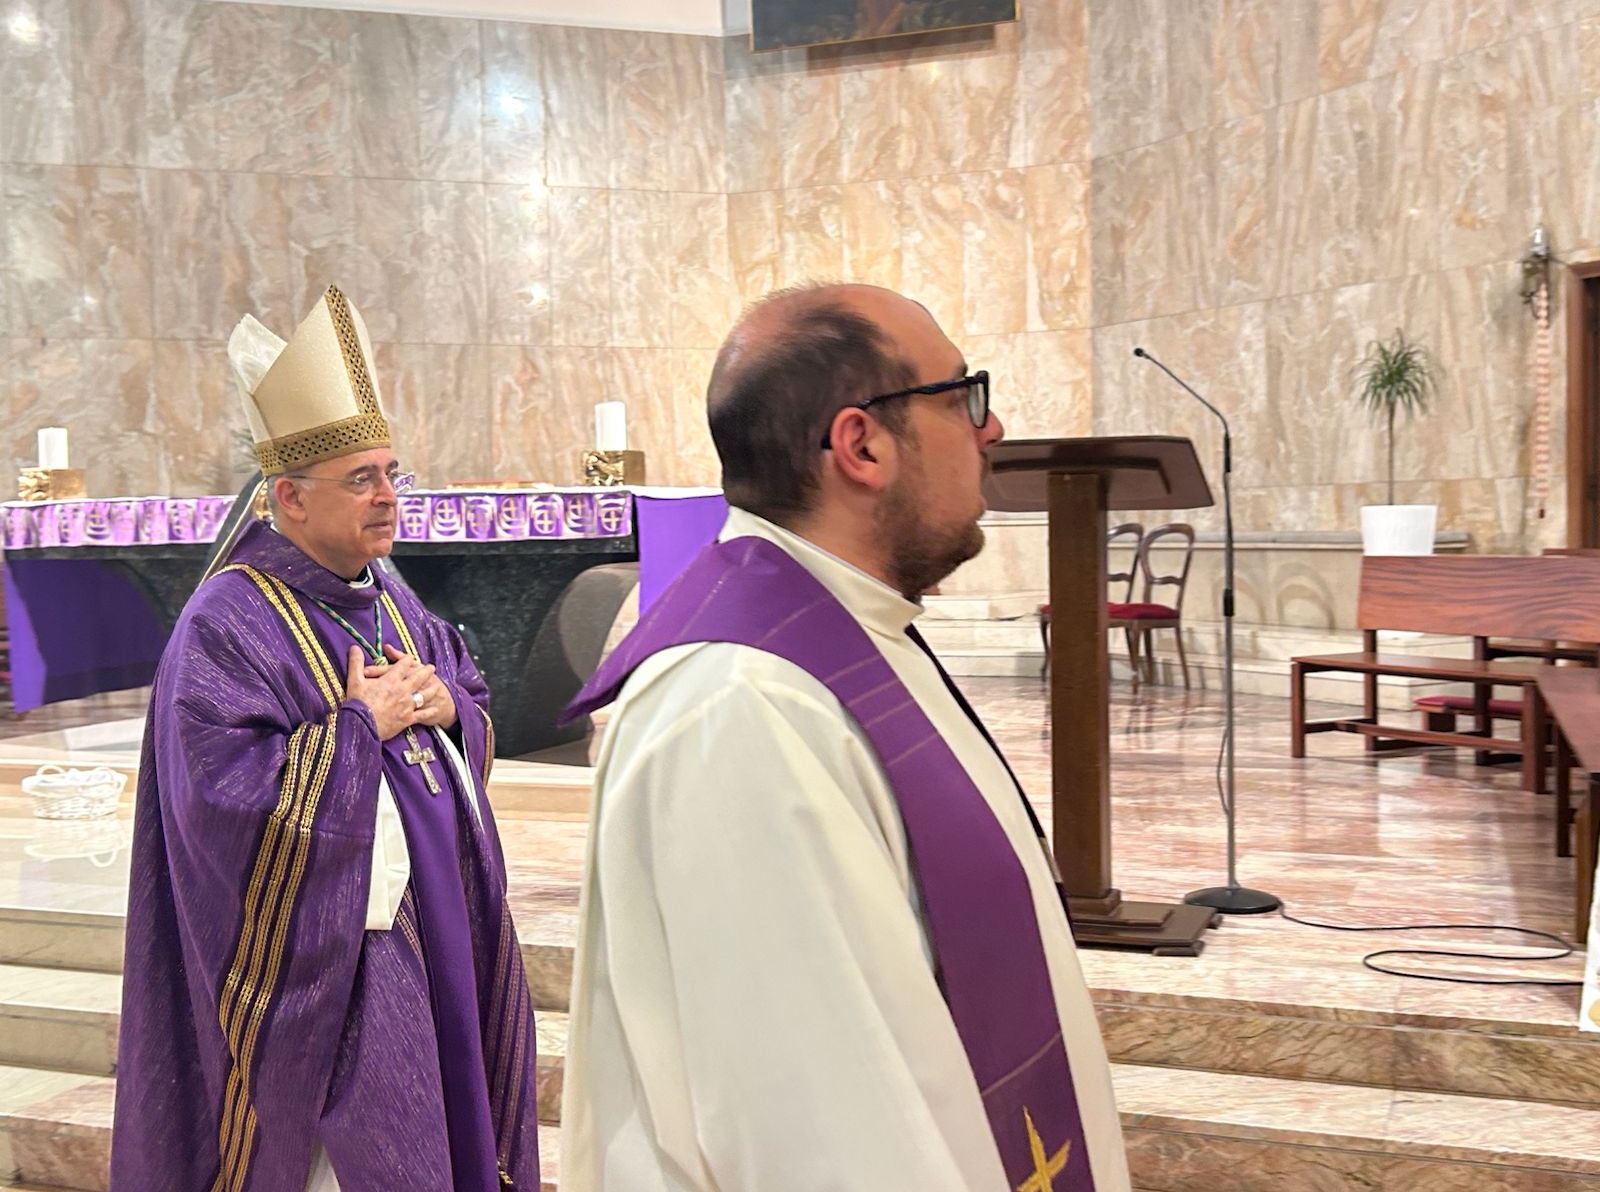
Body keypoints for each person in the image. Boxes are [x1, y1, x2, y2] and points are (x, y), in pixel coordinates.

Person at [560, 283, 1130, 1190]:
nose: (992, 429)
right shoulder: (741, 704)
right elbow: (819, 1135)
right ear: (862, 446)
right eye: (962, 397)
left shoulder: (850, 633)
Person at [111, 286, 541, 1191]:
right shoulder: (227, 621)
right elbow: (221, 797)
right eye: (361, 480)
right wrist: (355, 732)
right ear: (289, 498)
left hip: (442, 925)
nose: (387, 497)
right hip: (338, 964)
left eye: (392, 474)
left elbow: (464, 691)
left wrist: (449, 709)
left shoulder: (388, 596)